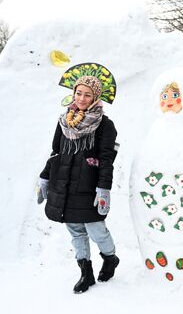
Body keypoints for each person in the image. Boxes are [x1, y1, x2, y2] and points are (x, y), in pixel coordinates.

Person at [37, 75, 120, 294]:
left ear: (95, 97)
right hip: (64, 185)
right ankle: (86, 272)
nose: (82, 98)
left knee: (97, 230)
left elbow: (106, 159)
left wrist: (104, 189)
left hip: (88, 186)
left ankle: (110, 258)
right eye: (79, 93)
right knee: (75, 232)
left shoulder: (105, 125)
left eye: (88, 94)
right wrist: (45, 177)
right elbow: (56, 153)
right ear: (73, 93)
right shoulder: (65, 120)